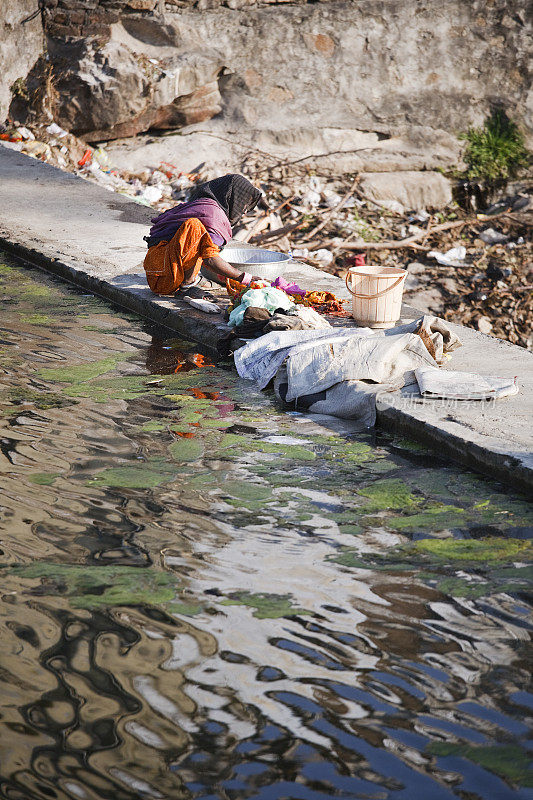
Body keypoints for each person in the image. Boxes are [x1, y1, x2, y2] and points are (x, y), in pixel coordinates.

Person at [143, 173, 263, 296]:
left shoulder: (204, 206)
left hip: (159, 271)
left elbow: (200, 250)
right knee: (193, 226)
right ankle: (187, 285)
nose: (245, 210)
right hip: (164, 278)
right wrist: (244, 278)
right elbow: (210, 259)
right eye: (243, 203)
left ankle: (191, 280)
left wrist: (225, 275)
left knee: (199, 235)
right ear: (233, 198)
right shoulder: (211, 213)